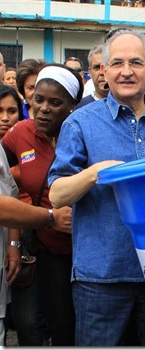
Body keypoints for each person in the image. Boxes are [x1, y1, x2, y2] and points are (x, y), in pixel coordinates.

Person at [47, 29, 145, 346]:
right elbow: (57, 194)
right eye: (117, 63)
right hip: (101, 276)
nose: (126, 71)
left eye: (136, 63)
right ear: (104, 71)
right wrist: (94, 173)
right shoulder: (80, 123)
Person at [2, 64, 83, 345]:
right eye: (39, 99)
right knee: (53, 325)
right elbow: (5, 177)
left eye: (55, 103)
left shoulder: (85, 133)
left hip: (85, 251)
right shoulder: (20, 134)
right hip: (47, 250)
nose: (44, 108)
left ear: (72, 106)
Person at [74, 46, 108, 110]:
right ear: (90, 72)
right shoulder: (79, 108)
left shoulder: (129, 106)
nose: (102, 72)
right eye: (97, 67)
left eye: (106, 67)